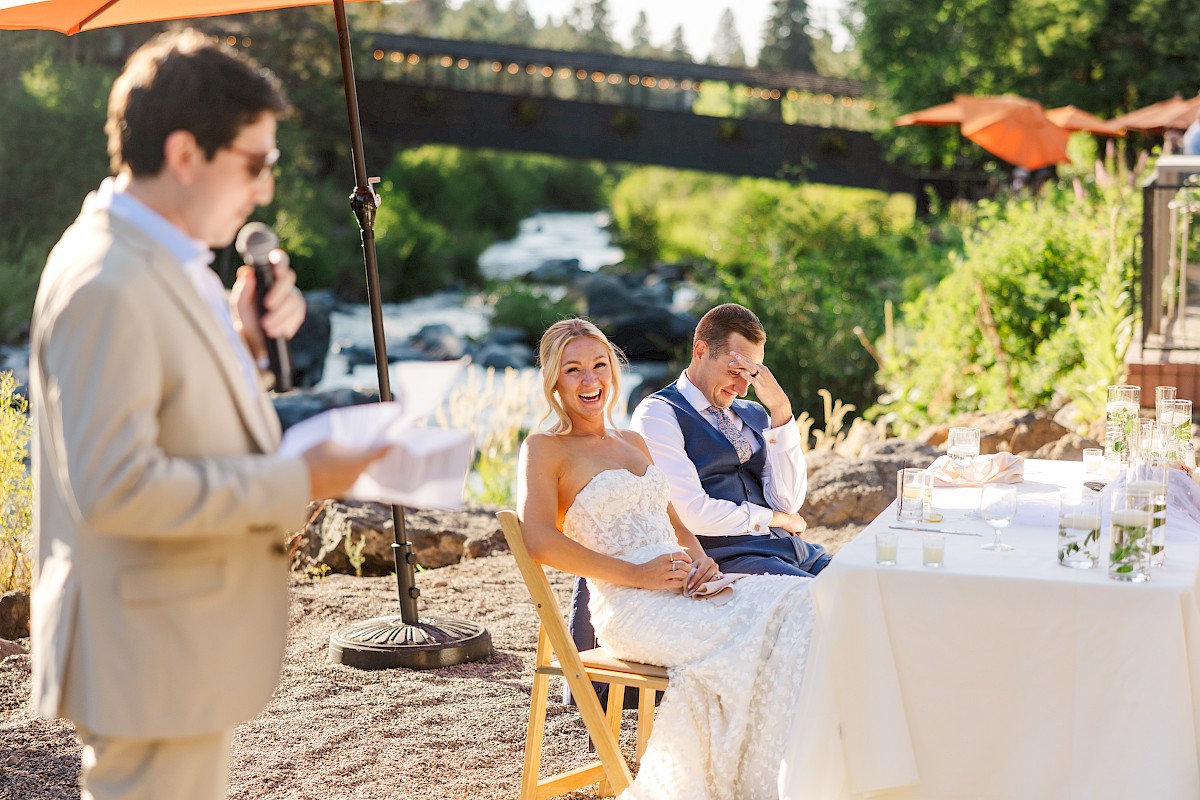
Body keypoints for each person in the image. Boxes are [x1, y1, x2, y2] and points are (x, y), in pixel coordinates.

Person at [28, 30, 385, 800]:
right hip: (143, 653)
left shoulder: (161, 255)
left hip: (169, 645)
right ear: (187, 154)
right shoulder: (107, 281)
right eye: (256, 165)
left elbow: (172, 403)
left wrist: (248, 344)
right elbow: (115, 487)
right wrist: (297, 479)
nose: (263, 190)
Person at [518, 318, 816, 799]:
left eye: (599, 365)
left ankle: (791, 778)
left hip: (688, 592)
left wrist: (703, 563)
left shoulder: (631, 442)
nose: (591, 380)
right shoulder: (544, 449)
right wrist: (637, 575)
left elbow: (675, 519)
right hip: (631, 610)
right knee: (781, 629)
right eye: (574, 370)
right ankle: (767, 784)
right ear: (554, 379)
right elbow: (538, 541)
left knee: (806, 600)